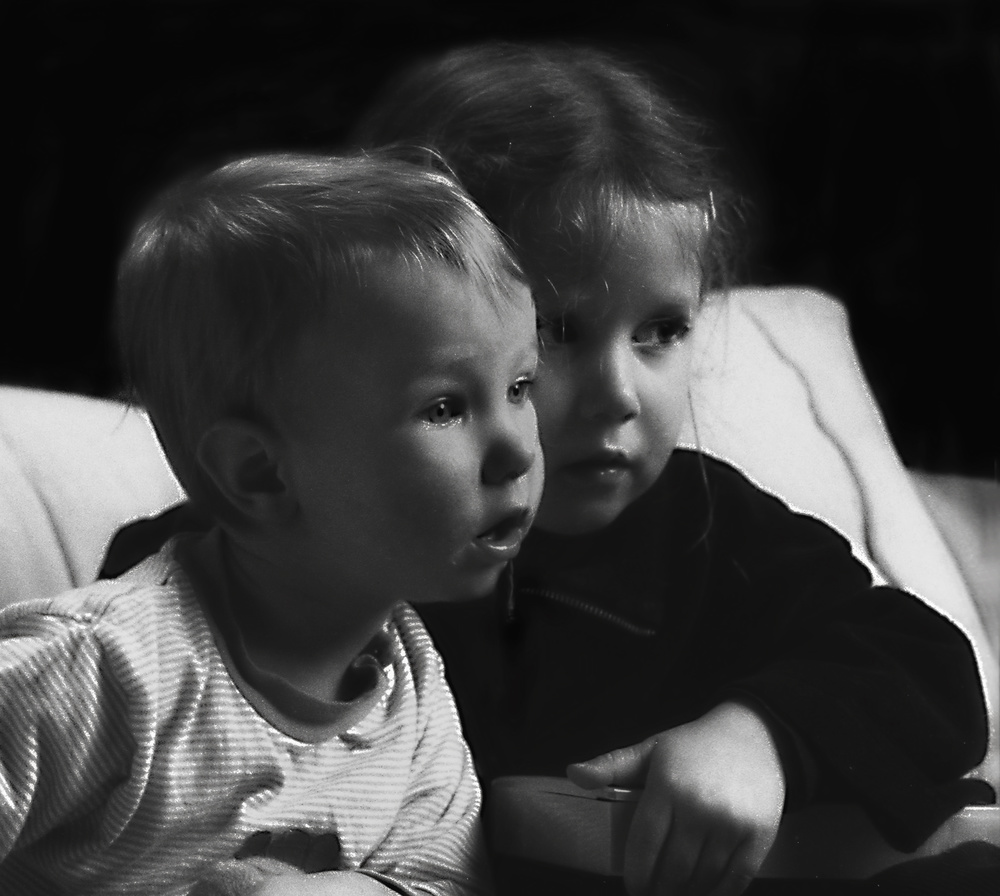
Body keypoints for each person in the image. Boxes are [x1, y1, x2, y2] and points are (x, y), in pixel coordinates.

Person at [100, 44, 995, 896]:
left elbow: (928, 668)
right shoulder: (253, 561)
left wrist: (760, 736)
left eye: (661, 331)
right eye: (558, 332)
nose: (618, 394)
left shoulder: (705, 527)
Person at [0, 151, 543, 895]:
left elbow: (444, 879)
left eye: (520, 386)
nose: (519, 448)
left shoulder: (411, 691)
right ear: (260, 474)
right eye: (445, 407)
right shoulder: (104, 672)